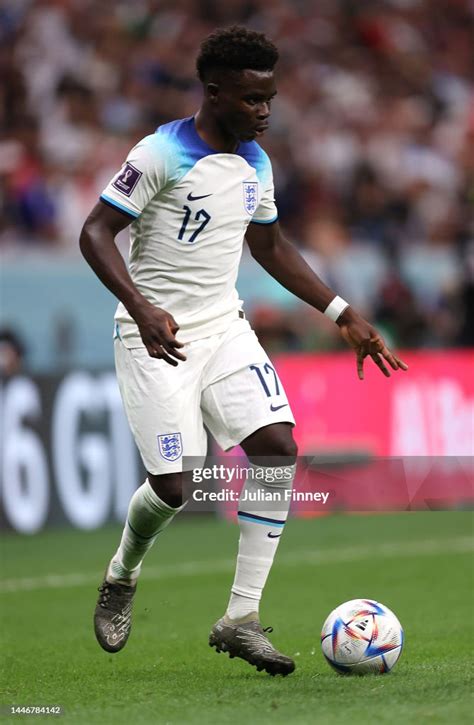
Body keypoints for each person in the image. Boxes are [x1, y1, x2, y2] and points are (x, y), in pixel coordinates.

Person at [80, 26, 407, 677]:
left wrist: (342, 313)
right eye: (254, 99)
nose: (265, 111)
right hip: (156, 335)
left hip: (223, 328)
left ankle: (239, 618)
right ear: (215, 91)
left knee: (278, 446)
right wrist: (142, 307)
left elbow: (271, 247)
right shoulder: (160, 153)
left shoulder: (256, 162)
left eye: (271, 98)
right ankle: (122, 572)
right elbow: (95, 232)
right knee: (173, 487)